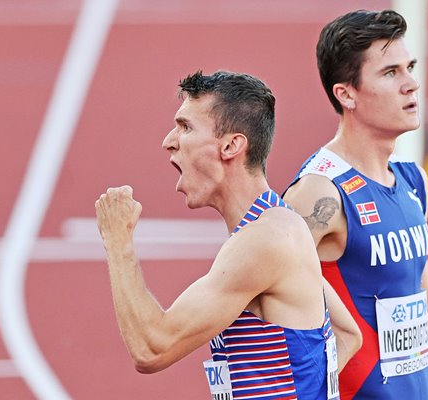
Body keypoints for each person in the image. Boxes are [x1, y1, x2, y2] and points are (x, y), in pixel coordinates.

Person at [95, 70, 362, 400]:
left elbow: (152, 349)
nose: (169, 141)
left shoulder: (267, 240)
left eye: (185, 127)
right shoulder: (278, 226)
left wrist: (117, 241)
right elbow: (346, 333)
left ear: (232, 145)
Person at [283, 10, 428, 399]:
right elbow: (256, 284)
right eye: (390, 73)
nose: (411, 84)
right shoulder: (319, 191)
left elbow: (423, 301)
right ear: (346, 93)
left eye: (409, 67)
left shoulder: (414, 183)